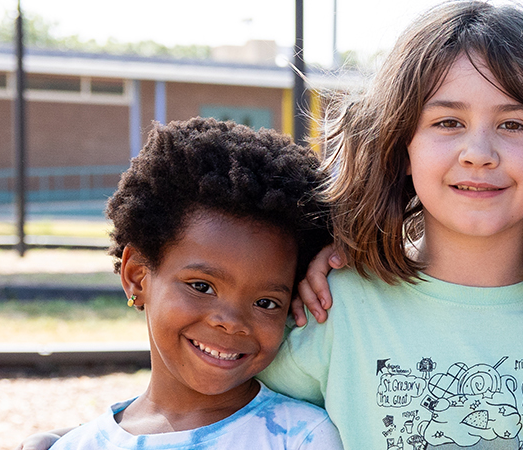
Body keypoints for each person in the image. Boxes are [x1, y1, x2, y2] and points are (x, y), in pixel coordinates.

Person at [258, 2, 523, 449]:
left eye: (513, 123)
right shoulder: (335, 309)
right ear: (400, 146)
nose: (479, 152)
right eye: (448, 122)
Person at [49, 118, 340, 450]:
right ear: (136, 276)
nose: (230, 321)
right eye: (202, 286)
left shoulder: (302, 437)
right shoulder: (77, 445)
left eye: (266, 303)